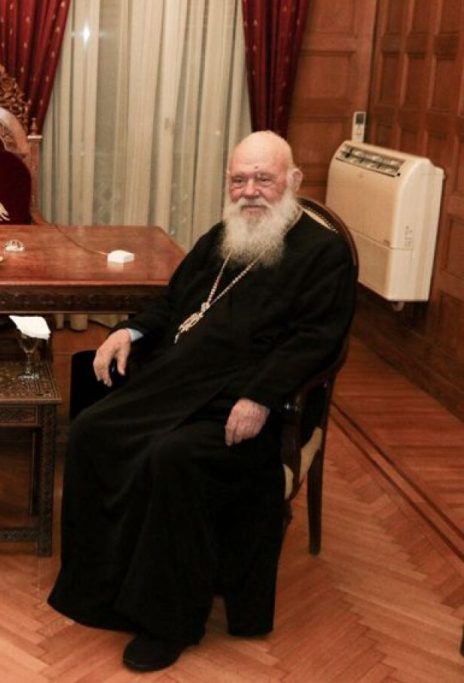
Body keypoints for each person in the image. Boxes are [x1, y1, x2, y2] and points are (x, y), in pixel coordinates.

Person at [48, 131, 356, 671]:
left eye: (263, 179)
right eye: (239, 180)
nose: (249, 191)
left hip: (247, 403)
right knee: (94, 430)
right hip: (179, 383)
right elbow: (174, 302)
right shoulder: (222, 236)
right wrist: (129, 332)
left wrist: (260, 396)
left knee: (173, 458)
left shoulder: (322, 252)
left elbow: (317, 341)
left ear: (292, 181)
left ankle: (166, 623)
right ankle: (101, 589)